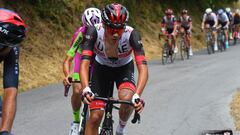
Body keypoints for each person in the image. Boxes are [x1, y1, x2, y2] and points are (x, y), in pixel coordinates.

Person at [80, 3, 148, 135]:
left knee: (127, 98)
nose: (116, 34)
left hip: (123, 69)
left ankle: (120, 130)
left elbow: (143, 69)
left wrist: (137, 95)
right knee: (95, 117)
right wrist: (85, 88)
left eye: (120, 29)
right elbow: (84, 64)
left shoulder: (132, 35)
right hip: (101, 69)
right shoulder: (94, 31)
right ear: (104, 25)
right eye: (112, 30)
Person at [63, 7, 101, 135]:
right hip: (81, 58)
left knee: (100, 93)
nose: (92, 32)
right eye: (89, 29)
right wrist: (67, 75)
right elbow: (68, 59)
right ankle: (75, 121)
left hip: (96, 60)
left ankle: (98, 123)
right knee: (78, 90)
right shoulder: (79, 34)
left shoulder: (103, 32)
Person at [0, 8, 26, 135]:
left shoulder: (12, 47)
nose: (3, 48)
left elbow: (11, 90)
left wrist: (5, 131)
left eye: (6, 45)